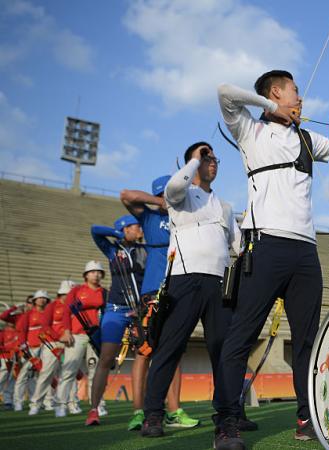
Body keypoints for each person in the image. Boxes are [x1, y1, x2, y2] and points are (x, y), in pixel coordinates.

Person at [216, 70, 329, 446]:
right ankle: (227, 422)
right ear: (277, 92)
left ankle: (306, 418)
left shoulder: (306, 137)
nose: (301, 98)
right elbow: (225, 91)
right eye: (295, 92)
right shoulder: (250, 130)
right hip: (265, 246)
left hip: (305, 251)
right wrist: (274, 109)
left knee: (306, 341)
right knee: (241, 336)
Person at [140, 143, 238, 445]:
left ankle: (226, 417)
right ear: (193, 163)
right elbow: (173, 185)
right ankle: (153, 414)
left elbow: (237, 245)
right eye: (205, 157)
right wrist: (194, 160)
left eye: (213, 158)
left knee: (222, 352)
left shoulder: (224, 205)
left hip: (218, 283)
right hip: (184, 279)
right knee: (169, 347)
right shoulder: (180, 194)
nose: (212, 162)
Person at [120, 176, 199, 431]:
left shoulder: (185, 213)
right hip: (152, 291)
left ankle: (174, 411)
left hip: (178, 288)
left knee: (174, 350)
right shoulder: (149, 217)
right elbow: (126, 195)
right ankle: (138, 411)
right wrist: (158, 201)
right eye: (162, 195)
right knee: (143, 352)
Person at [84, 215, 146, 425]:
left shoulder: (145, 250)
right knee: (106, 359)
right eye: (135, 226)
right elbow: (95, 228)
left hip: (139, 310)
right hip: (116, 310)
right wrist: (117, 234)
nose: (140, 228)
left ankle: (142, 410)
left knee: (144, 357)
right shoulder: (112, 250)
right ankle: (93, 410)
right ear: (125, 229)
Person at [60, 261, 105, 416]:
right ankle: (65, 404)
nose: (96, 274)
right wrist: (66, 331)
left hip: (96, 336)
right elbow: (66, 312)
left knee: (95, 372)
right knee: (69, 371)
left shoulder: (104, 292)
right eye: (92, 272)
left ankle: (97, 405)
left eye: (99, 272)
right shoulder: (77, 290)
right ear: (86, 275)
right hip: (76, 335)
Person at [32, 280, 75, 416]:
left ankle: (71, 403)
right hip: (52, 343)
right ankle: (36, 403)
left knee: (69, 374)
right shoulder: (52, 306)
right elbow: (45, 326)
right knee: (46, 373)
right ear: (60, 294)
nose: (68, 296)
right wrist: (58, 337)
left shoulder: (75, 305)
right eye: (66, 294)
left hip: (70, 342)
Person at [13, 290, 51, 413]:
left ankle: (47, 401)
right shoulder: (28, 314)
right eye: (39, 298)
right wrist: (23, 346)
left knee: (46, 374)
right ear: (35, 300)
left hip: (46, 346)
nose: (42, 300)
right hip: (31, 348)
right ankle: (17, 402)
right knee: (24, 375)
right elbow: (22, 331)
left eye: (44, 298)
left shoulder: (48, 313)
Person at [0, 304, 23, 409]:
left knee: (13, 379)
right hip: (5, 357)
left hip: (16, 358)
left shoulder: (19, 331)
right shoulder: (3, 332)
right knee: (3, 377)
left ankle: (8, 400)